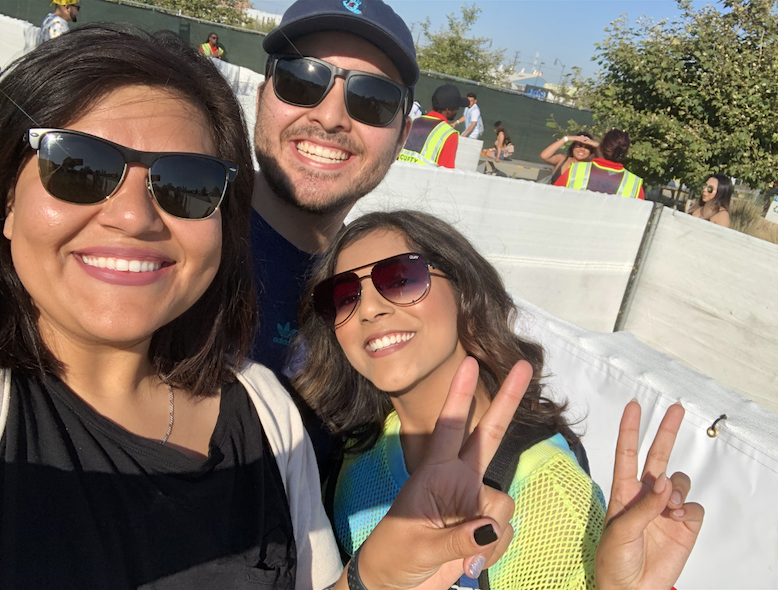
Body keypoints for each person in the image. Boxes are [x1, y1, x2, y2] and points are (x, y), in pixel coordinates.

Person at [0, 24, 527, 590]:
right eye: (77, 166)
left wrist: (374, 578)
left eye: (186, 184)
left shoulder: (263, 407)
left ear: (403, 134)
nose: (134, 217)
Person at [293, 210, 703, 589]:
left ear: (465, 294)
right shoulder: (352, 453)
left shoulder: (549, 492)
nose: (368, 309)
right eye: (343, 296)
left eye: (401, 278)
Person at [248, 0, 416, 378]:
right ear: (260, 99)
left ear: (402, 138)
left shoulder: (392, 299)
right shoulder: (173, 235)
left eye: (373, 99)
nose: (329, 118)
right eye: (301, 79)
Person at [554, 129, 645, 199]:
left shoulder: (576, 170)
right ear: (626, 152)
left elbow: (552, 197)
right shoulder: (634, 183)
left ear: (601, 147)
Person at [398, 84, 467, 169]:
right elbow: (447, 172)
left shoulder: (413, 122)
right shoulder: (449, 134)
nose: (457, 111)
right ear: (448, 110)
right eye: (457, 108)